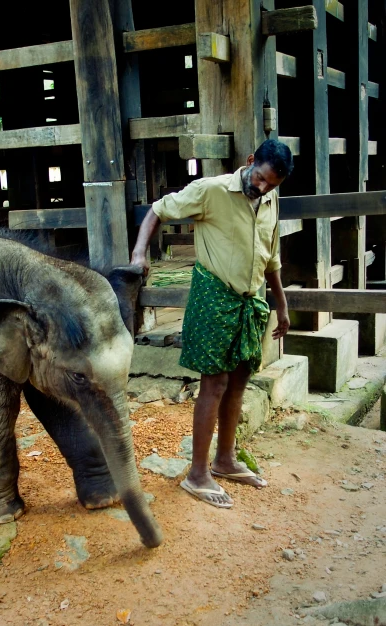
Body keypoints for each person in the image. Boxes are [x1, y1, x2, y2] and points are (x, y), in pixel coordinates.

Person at [130, 139, 293, 508]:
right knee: (215, 382)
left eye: (272, 185)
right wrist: (140, 252)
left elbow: (272, 258)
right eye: (261, 178)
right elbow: (158, 210)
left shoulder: (269, 200)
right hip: (215, 297)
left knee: (239, 380)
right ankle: (197, 474)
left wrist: (282, 305)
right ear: (251, 161)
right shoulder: (212, 190)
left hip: (251, 301)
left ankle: (225, 460)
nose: (263, 188)